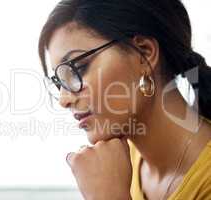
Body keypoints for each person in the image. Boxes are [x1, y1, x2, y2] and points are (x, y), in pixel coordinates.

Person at [38, 0, 211, 199]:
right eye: (60, 81)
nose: (64, 99)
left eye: (79, 68)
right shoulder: (119, 164)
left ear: (144, 53)